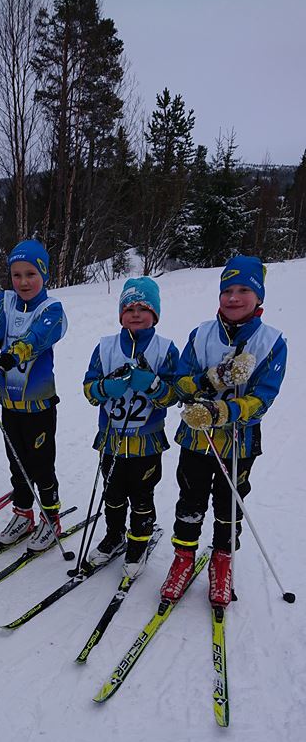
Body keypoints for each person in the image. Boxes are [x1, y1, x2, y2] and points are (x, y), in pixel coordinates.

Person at [160, 255, 287, 607]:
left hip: (239, 443)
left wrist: (224, 411)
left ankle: (222, 560)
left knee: (229, 504)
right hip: (196, 438)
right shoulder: (201, 334)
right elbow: (180, 383)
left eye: (244, 289)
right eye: (227, 290)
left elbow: (263, 397)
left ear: (258, 296)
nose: (233, 297)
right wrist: (212, 379)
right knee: (190, 499)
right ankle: (183, 559)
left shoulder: (272, 342)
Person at [0, 239, 67, 552]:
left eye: (31, 274)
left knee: (41, 465)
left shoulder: (52, 310)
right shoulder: (6, 302)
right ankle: (23, 513)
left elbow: (33, 341)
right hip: (10, 404)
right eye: (17, 275)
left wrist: (3, 362)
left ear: (44, 274)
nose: (23, 282)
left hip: (38, 405)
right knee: (17, 463)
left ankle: (51, 517)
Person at [83, 276, 179, 576]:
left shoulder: (165, 349)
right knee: (112, 494)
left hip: (146, 442)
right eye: (129, 308)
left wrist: (153, 385)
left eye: (143, 308)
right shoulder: (106, 347)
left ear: (155, 314)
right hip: (111, 439)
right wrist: (103, 388)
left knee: (141, 496)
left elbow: (173, 395)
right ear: (121, 314)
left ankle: (138, 543)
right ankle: (114, 536)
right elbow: (88, 390)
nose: (136, 314)